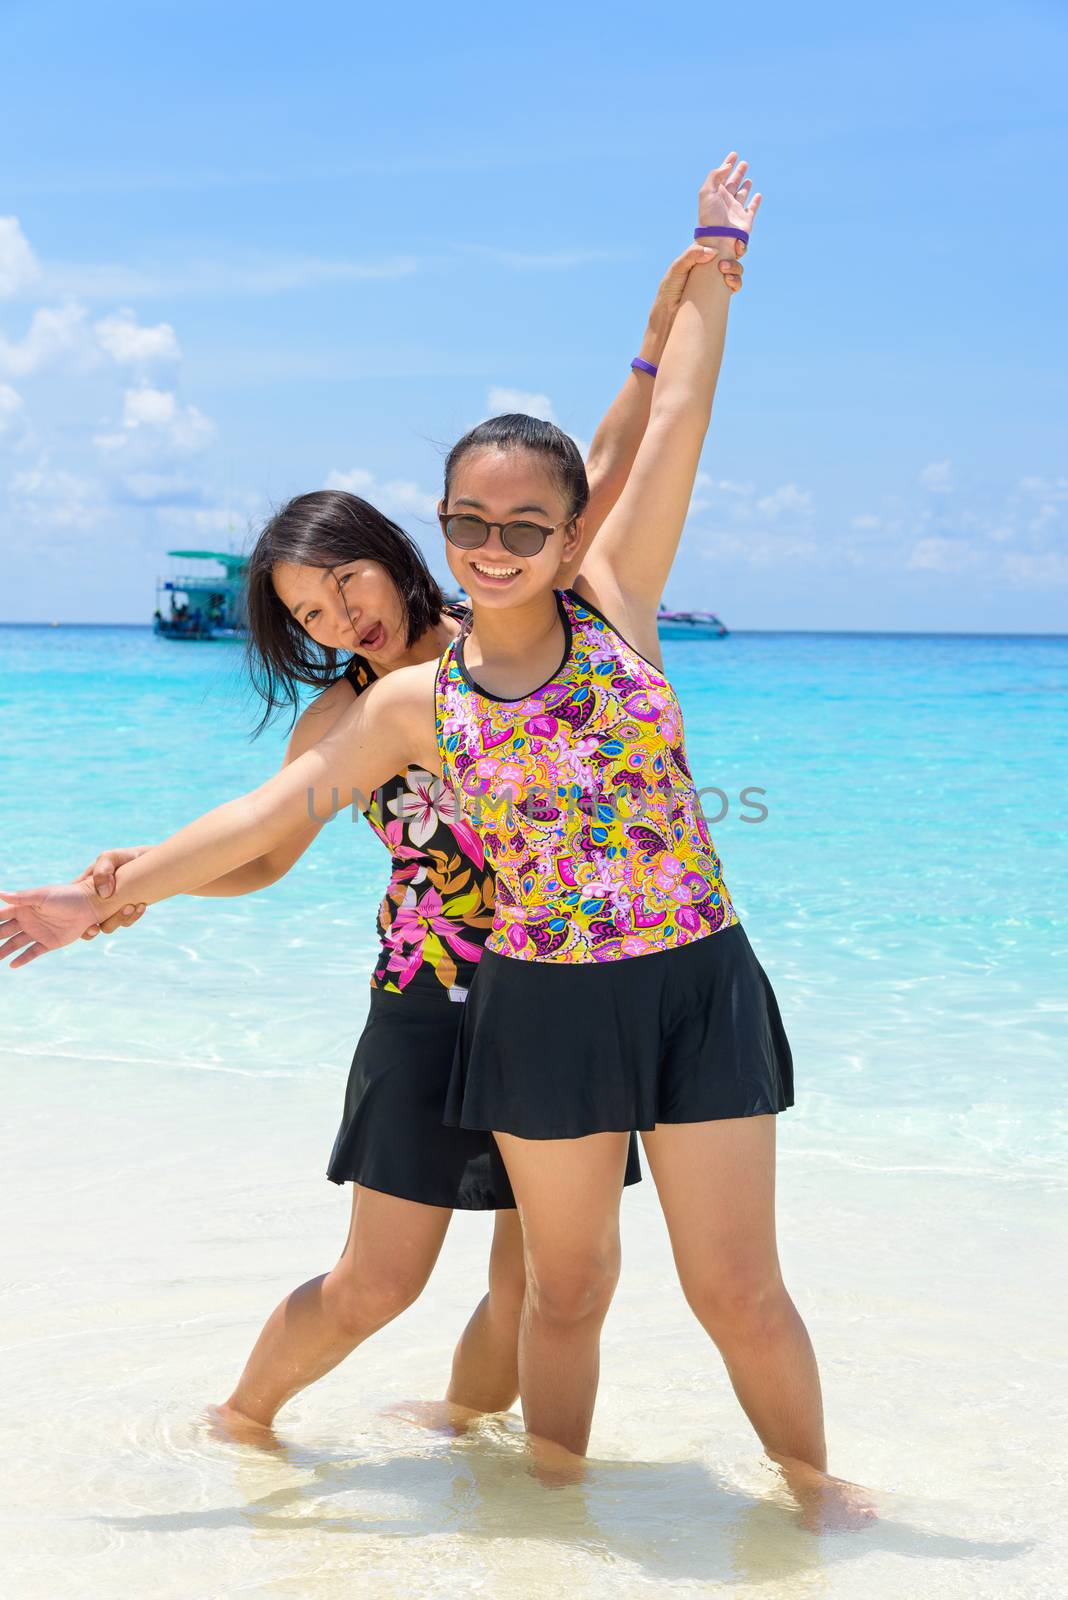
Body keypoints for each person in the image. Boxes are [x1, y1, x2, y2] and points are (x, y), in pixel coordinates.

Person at [3, 157, 837, 1496]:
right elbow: (263, 832)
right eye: (309, 613)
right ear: (444, 528)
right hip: (470, 996)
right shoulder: (391, 709)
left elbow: (626, 456)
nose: (338, 619)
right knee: (419, 1281)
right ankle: (257, 1425)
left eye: (345, 585)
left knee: (550, 1291)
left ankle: (494, 1478)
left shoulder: (589, 598)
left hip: (640, 984)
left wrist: (694, 289)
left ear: (400, 555)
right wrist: (112, 894)